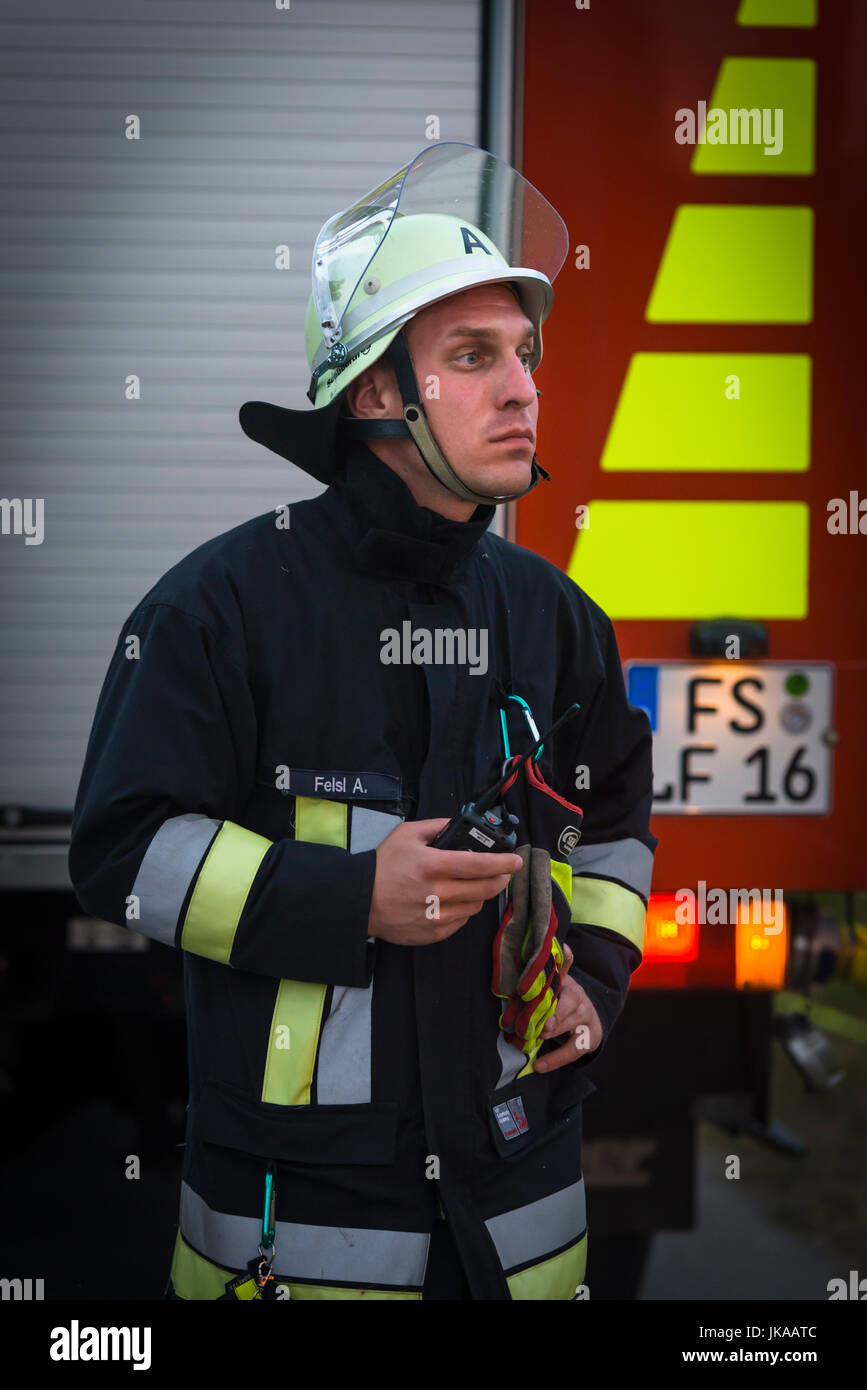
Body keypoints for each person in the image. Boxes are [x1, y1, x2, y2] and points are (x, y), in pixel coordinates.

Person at [69, 143, 657, 1300]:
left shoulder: (554, 620)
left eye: (525, 354)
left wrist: (589, 966)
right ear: (379, 390)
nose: (523, 388)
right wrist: (349, 899)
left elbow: (617, 824)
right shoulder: (222, 608)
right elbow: (121, 850)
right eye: (475, 357)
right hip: (299, 1219)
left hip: (519, 1206)